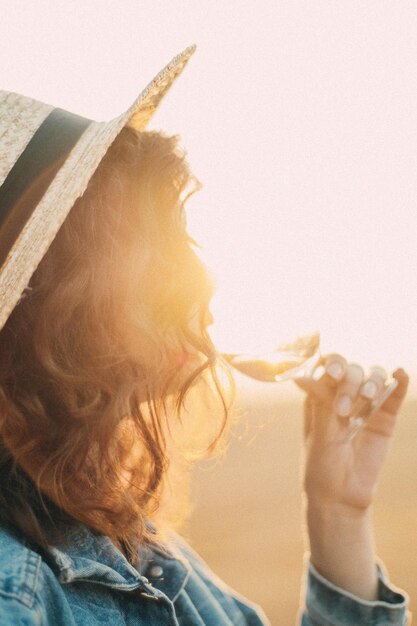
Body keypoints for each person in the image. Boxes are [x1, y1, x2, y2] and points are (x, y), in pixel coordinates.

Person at [0, 45, 410, 625]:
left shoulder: (109, 528)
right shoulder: (16, 596)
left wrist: (338, 514)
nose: (198, 280)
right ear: (48, 302)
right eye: (151, 245)